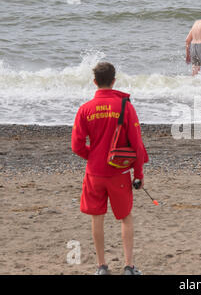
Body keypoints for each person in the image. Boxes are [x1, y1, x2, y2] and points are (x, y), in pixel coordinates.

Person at [71, 62, 149, 275]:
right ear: (114, 80)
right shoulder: (125, 107)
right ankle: (129, 267)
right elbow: (137, 145)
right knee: (125, 217)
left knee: (97, 217)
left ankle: (101, 267)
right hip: (119, 173)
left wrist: (95, 156)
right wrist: (139, 174)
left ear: (95, 82)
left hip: (94, 173)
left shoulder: (85, 109)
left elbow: (76, 146)